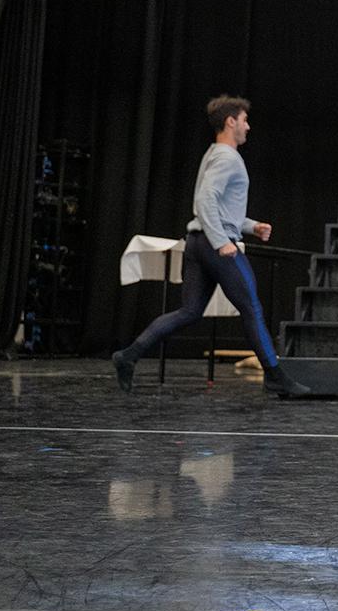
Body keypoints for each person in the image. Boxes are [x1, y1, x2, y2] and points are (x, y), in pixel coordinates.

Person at [112, 96, 309, 397]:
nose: (247, 126)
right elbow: (205, 201)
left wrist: (250, 226)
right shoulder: (228, 157)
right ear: (230, 121)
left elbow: (217, 205)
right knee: (252, 307)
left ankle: (129, 355)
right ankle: (274, 375)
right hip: (212, 244)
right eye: (243, 120)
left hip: (197, 242)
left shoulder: (214, 154)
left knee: (189, 311)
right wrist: (222, 242)